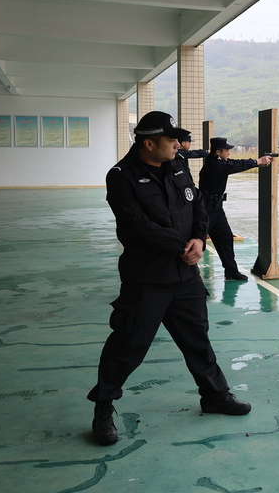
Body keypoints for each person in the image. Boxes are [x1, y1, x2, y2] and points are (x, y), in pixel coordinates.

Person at [87, 111, 251, 446]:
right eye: (172, 140)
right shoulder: (121, 176)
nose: (179, 144)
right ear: (149, 143)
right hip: (147, 276)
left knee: (197, 338)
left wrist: (199, 238)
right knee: (128, 344)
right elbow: (136, 225)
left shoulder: (178, 166)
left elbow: (197, 205)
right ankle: (103, 407)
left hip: (185, 275)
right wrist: (182, 246)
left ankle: (215, 395)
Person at [198, 137, 273, 281]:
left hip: (216, 209)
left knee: (225, 238)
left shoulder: (219, 162)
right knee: (197, 242)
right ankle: (186, 275)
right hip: (206, 210)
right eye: (226, 150)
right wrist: (258, 162)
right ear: (218, 152)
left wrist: (257, 162)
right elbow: (235, 166)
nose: (229, 153)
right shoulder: (214, 165)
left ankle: (231, 272)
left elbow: (236, 163)